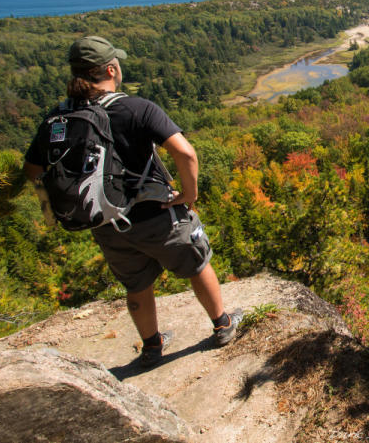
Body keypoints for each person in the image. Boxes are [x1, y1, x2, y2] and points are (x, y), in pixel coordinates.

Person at [22, 35, 241, 367]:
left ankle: (151, 347)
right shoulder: (136, 108)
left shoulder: (59, 117)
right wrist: (189, 194)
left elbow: (33, 170)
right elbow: (185, 152)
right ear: (111, 69)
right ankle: (223, 325)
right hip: (156, 213)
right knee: (196, 263)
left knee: (136, 284)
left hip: (105, 222)